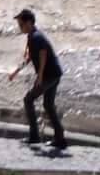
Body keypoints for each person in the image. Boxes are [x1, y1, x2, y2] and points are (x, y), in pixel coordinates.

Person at [6, 8, 63, 150]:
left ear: (29, 23)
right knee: (48, 105)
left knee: (28, 99)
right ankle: (60, 138)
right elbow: (30, 57)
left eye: (21, 24)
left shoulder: (36, 37)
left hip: (49, 75)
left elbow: (43, 53)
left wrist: (40, 75)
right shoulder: (32, 37)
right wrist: (16, 71)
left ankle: (34, 136)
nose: (20, 28)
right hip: (54, 74)